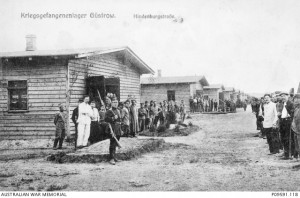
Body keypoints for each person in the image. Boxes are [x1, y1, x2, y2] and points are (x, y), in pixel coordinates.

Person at [105, 98, 123, 165]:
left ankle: (114, 157)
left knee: (116, 143)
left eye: (116, 102)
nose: (115, 103)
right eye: (114, 102)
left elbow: (120, 120)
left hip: (118, 128)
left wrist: (121, 129)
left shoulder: (118, 110)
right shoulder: (109, 111)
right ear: (111, 103)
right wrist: (112, 118)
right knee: (112, 143)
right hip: (112, 129)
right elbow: (106, 119)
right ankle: (111, 158)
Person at [292, 93, 300, 159]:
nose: (296, 100)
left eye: (298, 98)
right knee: (298, 147)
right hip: (296, 131)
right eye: (295, 99)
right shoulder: (296, 108)